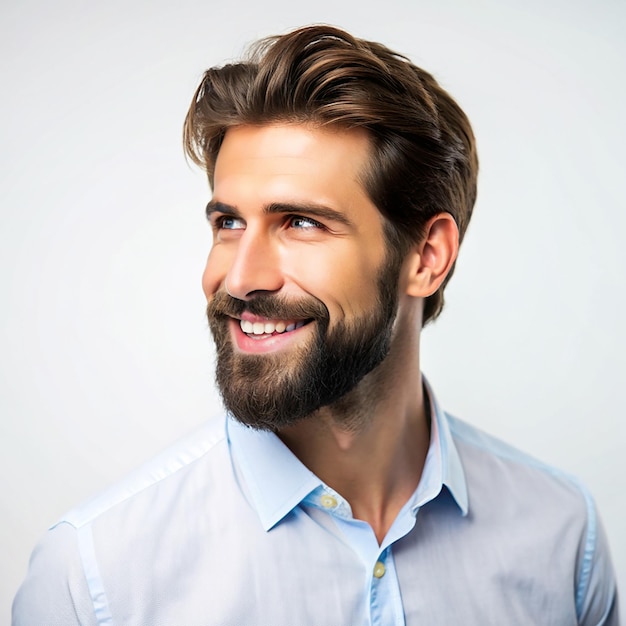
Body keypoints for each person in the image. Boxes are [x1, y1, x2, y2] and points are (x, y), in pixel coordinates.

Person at [13, 25, 618, 625]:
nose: (239, 278)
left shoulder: (563, 540)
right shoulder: (94, 578)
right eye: (228, 223)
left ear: (427, 256)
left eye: (301, 222)